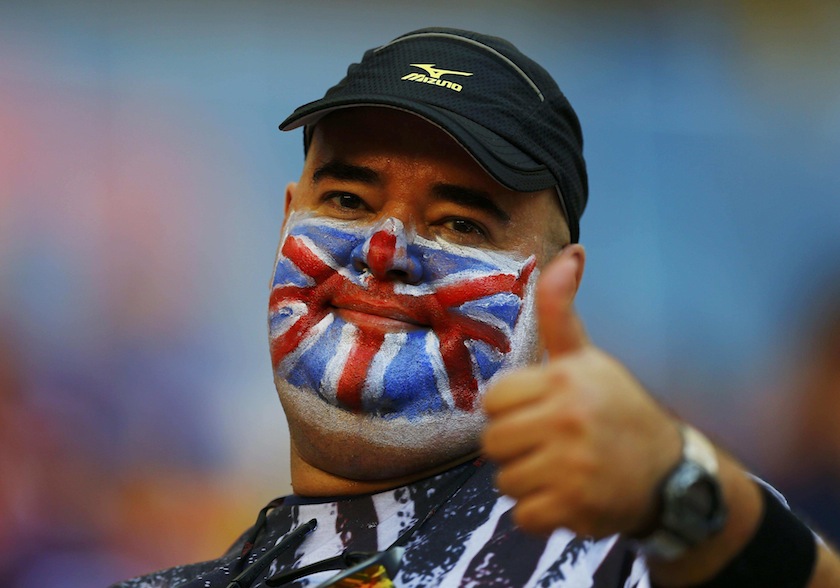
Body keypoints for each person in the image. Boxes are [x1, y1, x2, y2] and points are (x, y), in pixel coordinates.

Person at [113, 27, 840, 587]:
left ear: (560, 283)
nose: (384, 247)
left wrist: (681, 491)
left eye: (460, 222)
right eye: (347, 200)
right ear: (285, 223)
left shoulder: (635, 551)